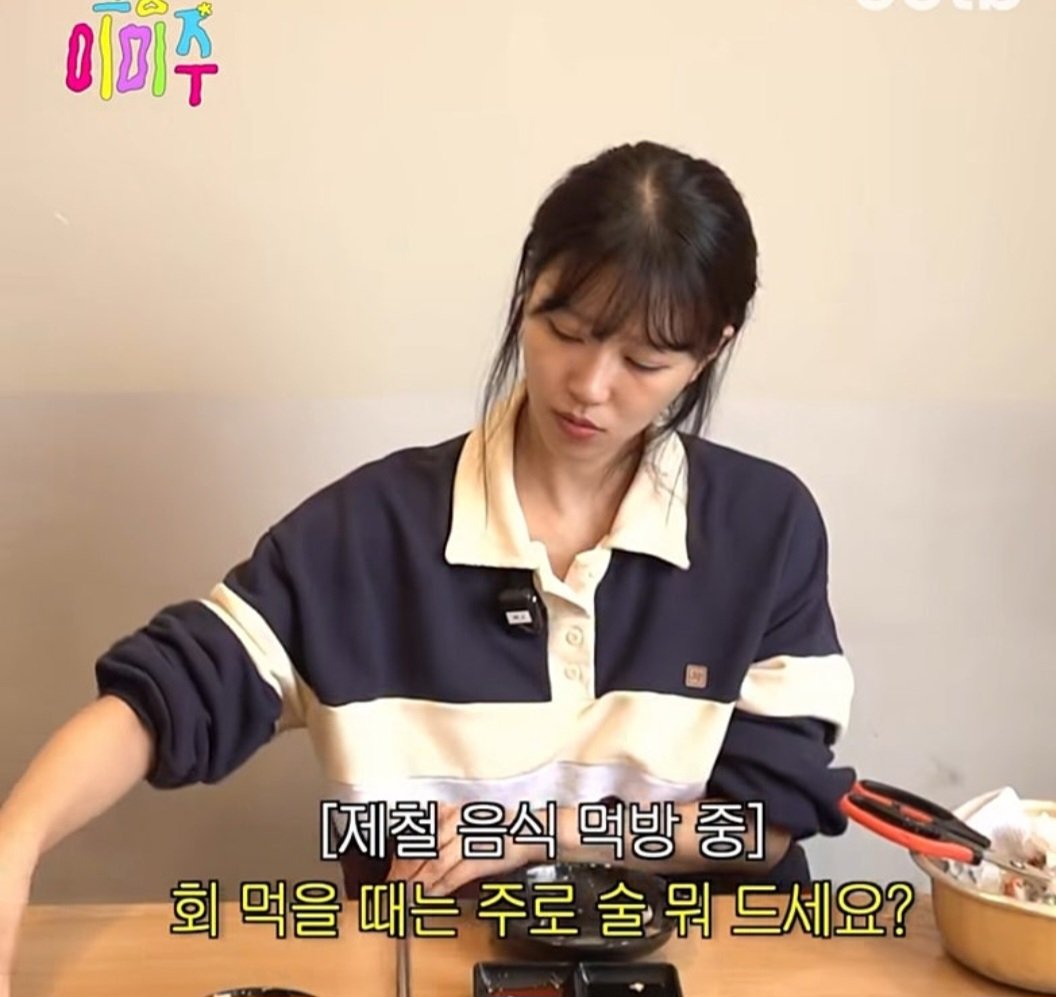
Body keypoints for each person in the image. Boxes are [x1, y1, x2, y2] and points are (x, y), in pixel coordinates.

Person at [0, 140, 856, 989]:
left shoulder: (763, 528)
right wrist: (16, 841)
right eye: (565, 331)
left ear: (710, 350)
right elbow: (166, 696)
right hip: (435, 965)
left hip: (710, 967)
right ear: (526, 292)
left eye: (644, 360)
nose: (591, 385)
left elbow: (765, 826)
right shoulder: (371, 532)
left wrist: (539, 831)